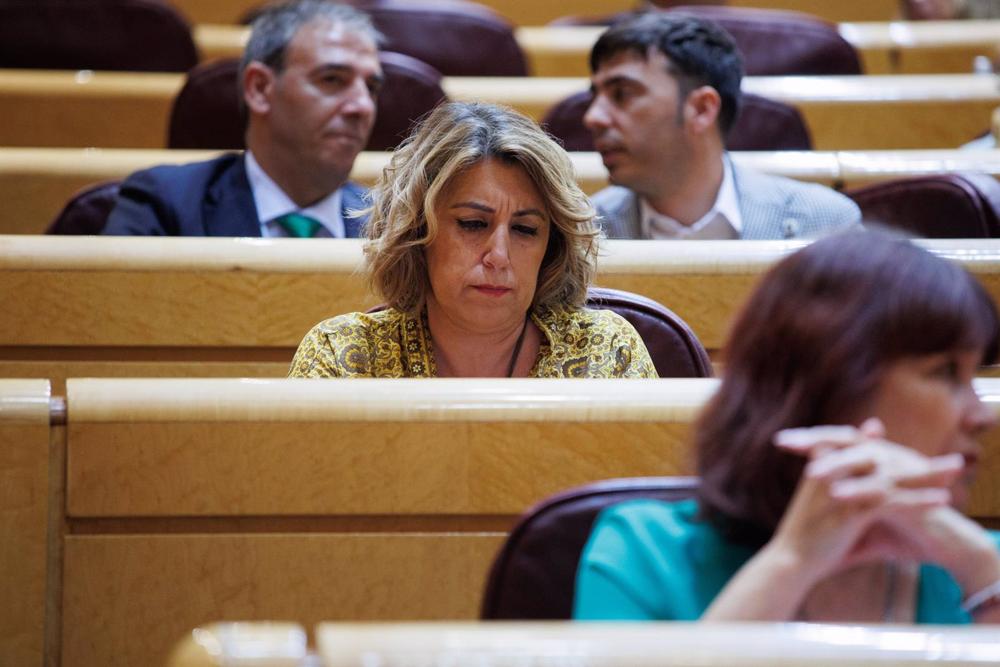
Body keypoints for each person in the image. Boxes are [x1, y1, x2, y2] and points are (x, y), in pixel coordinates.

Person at [575, 230, 1000, 624]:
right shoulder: (643, 555)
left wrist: (982, 569)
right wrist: (792, 561)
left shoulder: (984, 563)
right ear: (831, 382)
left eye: (973, 375)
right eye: (946, 373)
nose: (983, 417)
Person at [288, 101, 657, 379]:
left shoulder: (608, 352)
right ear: (417, 231)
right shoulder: (340, 358)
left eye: (525, 230)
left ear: (551, 248)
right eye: (473, 223)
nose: (499, 256)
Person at [102, 0, 383, 237]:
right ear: (259, 88)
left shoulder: (392, 228)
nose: (362, 106)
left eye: (371, 87)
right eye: (332, 79)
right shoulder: (163, 206)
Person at [583, 13, 860, 240]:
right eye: (595, 96)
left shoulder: (825, 225)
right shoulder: (581, 237)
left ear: (702, 109)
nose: (592, 117)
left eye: (622, 94)